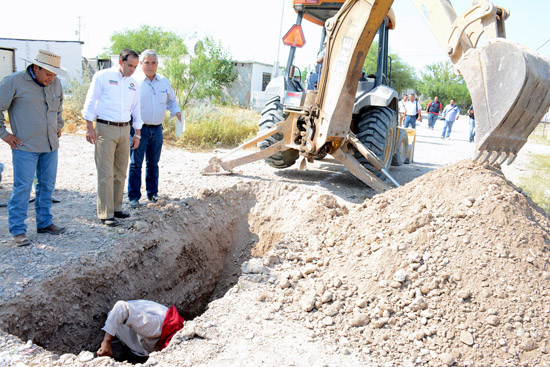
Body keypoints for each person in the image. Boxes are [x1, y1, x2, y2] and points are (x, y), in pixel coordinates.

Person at [0, 50, 68, 246]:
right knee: (22, 187)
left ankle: (45, 223)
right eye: (48, 74)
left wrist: (59, 125)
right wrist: (4, 135)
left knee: (47, 185)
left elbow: (60, 106)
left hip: (50, 145)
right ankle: (18, 230)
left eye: (55, 74)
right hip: (25, 146)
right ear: (36, 68)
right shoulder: (13, 81)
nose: (51, 78)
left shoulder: (55, 82)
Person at [82, 49, 143, 227]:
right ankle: (105, 213)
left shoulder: (133, 84)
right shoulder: (103, 76)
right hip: (105, 128)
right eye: (130, 65)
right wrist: (89, 127)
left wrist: (137, 133)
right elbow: (91, 101)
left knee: (120, 172)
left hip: (125, 130)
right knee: (105, 172)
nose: (132, 69)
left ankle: (116, 208)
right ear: (121, 62)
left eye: (135, 66)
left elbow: (136, 109)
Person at [128, 50, 181, 207]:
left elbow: (171, 100)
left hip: (157, 129)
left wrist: (176, 111)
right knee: (136, 163)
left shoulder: (163, 82)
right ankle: (133, 197)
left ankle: (152, 194)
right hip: (139, 129)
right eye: (146, 62)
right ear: (141, 64)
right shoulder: (134, 82)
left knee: (153, 163)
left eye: (153, 63)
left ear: (157, 64)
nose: (150, 66)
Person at [97, 300, 184, 363]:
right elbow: (121, 307)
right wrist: (106, 342)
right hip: (119, 326)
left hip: (138, 342)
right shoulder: (155, 327)